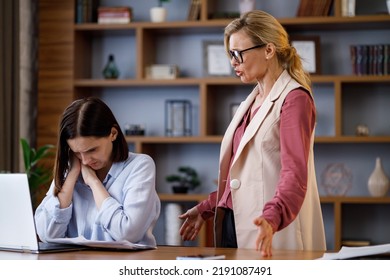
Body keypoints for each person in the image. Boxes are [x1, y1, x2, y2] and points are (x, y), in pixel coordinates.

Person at [179, 10, 326, 256]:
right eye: (230, 55)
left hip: (269, 227)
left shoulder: (294, 99)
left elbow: (294, 176)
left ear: (269, 50)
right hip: (233, 223)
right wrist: (207, 207)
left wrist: (272, 218)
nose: (233, 62)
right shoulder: (253, 99)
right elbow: (244, 175)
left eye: (238, 54)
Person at [34, 97, 160, 247]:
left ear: (113, 133)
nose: (85, 161)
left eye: (92, 150)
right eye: (77, 153)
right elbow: (46, 234)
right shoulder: (72, 170)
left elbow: (127, 234)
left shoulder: (140, 166)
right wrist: (72, 174)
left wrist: (94, 183)